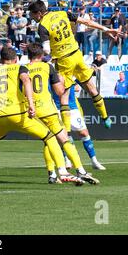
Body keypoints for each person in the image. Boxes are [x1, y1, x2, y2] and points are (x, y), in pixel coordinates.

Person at [0, 47, 84, 189]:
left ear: (0, 60)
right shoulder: (20, 68)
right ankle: (62, 171)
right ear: (16, 59)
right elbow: (26, 81)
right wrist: (31, 104)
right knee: (49, 137)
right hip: (17, 114)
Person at [27, 0, 121, 133]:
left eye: (32, 14)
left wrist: (36, 52)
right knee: (92, 88)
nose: (31, 17)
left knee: (64, 97)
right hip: (77, 55)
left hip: (64, 61)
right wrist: (105, 29)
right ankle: (105, 117)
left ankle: (67, 134)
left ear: (39, 13)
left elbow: (47, 50)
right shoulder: (63, 13)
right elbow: (87, 22)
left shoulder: (42, 26)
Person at [26, 43, 99, 184]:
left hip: (32, 112)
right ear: (41, 56)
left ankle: (52, 174)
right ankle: (80, 170)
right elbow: (59, 91)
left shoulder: (23, 69)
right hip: (49, 109)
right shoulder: (48, 67)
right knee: (64, 139)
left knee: (48, 141)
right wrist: (66, 84)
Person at [52, 83, 106, 170]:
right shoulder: (52, 73)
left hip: (72, 108)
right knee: (63, 136)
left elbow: (81, 84)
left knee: (84, 133)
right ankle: (66, 159)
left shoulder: (72, 71)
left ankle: (94, 161)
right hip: (57, 108)